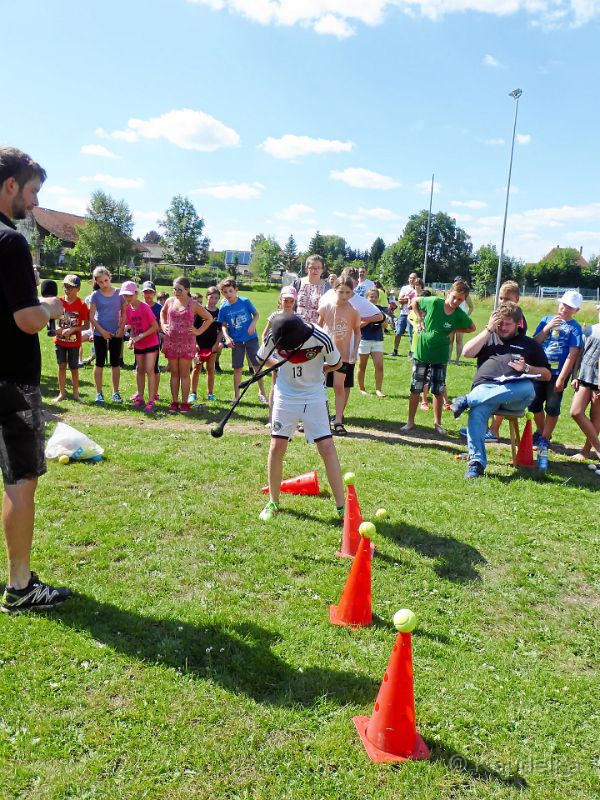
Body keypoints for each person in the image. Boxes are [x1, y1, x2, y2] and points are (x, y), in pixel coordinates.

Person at [0, 146, 71, 613]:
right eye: (32, 191)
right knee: (20, 482)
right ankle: (20, 585)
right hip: (11, 382)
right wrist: (51, 308)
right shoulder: (10, 241)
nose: (35, 201)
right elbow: (26, 320)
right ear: (10, 186)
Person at [257, 313, 345, 522]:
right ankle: (273, 502)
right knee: (276, 447)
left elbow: (337, 363)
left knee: (326, 448)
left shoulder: (321, 337)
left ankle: (342, 506)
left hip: (314, 396)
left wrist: (322, 369)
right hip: (285, 397)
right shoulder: (274, 335)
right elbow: (260, 359)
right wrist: (278, 365)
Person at [450, 301, 551, 478]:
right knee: (477, 412)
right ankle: (476, 464)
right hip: (485, 389)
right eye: (500, 323)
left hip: (513, 395)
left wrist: (526, 368)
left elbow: (547, 375)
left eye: (507, 324)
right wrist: (488, 329)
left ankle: (467, 400)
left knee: (528, 387)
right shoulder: (489, 336)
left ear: (518, 323)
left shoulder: (529, 344)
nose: (503, 328)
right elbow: (466, 352)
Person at [401, 280, 475, 435]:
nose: (455, 302)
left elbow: (471, 327)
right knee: (416, 387)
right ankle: (410, 421)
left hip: (440, 356)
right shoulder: (434, 302)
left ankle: (438, 423)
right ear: (448, 293)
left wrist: (454, 329)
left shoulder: (459, 314)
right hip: (422, 352)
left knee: (438, 390)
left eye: (460, 300)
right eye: (454, 297)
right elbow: (415, 301)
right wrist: (419, 319)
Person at [529, 290, 583, 451]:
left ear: (576, 310)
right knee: (533, 403)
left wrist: (562, 378)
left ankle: (544, 438)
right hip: (539, 370)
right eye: (563, 304)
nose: (565, 308)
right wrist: (547, 328)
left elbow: (572, 355)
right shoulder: (546, 320)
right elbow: (534, 343)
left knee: (552, 407)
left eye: (570, 307)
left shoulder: (575, 328)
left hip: (557, 374)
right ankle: (541, 431)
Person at [161, 276, 212, 414]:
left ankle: (184, 403)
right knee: (174, 374)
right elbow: (163, 312)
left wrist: (198, 331)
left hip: (187, 343)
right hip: (171, 342)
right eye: (174, 289)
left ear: (187, 289)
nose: (176, 292)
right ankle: (174, 402)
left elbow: (209, 318)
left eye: (180, 289)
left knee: (184, 374)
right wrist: (163, 324)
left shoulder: (193, 304)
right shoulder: (170, 301)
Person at [318, 276, 361, 435]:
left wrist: (354, 351)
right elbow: (318, 327)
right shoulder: (326, 306)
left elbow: (358, 333)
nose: (344, 296)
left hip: (343, 355)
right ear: (334, 290)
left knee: (339, 387)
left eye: (348, 292)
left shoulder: (353, 311)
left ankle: (338, 420)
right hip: (324, 354)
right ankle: (317, 419)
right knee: (318, 387)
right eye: (341, 292)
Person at [217, 277, 267, 404]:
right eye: (225, 292)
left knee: (257, 366)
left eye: (230, 291)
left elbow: (256, 314)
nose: (228, 294)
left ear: (236, 290)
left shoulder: (245, 301)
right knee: (237, 368)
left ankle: (262, 392)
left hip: (251, 339)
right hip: (236, 341)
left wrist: (253, 324)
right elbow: (223, 325)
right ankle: (237, 397)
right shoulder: (224, 308)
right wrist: (227, 337)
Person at [120, 281, 160, 412]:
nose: (127, 298)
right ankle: (140, 398)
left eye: (129, 295)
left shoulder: (144, 308)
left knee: (149, 370)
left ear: (136, 293)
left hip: (151, 343)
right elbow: (133, 326)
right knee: (140, 371)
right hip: (139, 344)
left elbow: (155, 327)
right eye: (125, 295)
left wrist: (141, 336)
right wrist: (132, 339)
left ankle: (151, 401)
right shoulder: (128, 308)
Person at [88, 266, 125, 404]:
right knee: (99, 363)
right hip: (100, 333)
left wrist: (121, 328)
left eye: (106, 280)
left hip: (116, 333)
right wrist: (102, 331)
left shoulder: (119, 293)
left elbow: (125, 313)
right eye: (100, 282)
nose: (104, 284)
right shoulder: (95, 295)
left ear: (110, 277)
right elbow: (91, 316)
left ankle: (116, 393)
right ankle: (99, 393)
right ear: (96, 282)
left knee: (115, 363)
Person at [569, 304, 600, 461]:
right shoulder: (589, 330)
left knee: (596, 417)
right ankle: (599, 449)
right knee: (575, 412)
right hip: (584, 377)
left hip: (598, 382)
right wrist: (575, 375)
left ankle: (586, 451)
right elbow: (579, 355)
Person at [53, 274, 88, 402]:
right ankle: (62, 394)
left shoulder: (82, 304)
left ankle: (76, 395)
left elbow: (86, 325)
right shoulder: (58, 302)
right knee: (62, 366)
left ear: (78, 288)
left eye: (70, 287)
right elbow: (50, 318)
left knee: (74, 368)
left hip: (74, 343)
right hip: (60, 341)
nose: (67, 289)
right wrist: (55, 327)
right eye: (65, 286)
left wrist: (73, 329)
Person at [190, 286, 222, 404]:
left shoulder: (219, 312)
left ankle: (210, 393)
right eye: (211, 297)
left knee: (210, 369)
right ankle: (193, 393)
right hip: (199, 344)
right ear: (206, 297)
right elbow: (193, 329)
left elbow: (221, 330)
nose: (213, 300)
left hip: (212, 345)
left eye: (216, 298)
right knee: (196, 368)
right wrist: (195, 344)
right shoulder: (200, 311)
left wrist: (216, 344)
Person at [357, 286, 387, 397]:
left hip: (377, 340)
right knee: (362, 365)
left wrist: (381, 318)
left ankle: (378, 389)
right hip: (364, 339)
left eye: (375, 297)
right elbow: (358, 325)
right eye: (371, 297)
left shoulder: (380, 310)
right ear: (366, 298)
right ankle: (362, 389)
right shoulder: (361, 309)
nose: (373, 299)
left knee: (379, 366)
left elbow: (385, 325)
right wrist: (370, 319)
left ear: (378, 298)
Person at [140, 280, 163, 403]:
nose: (148, 294)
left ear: (154, 294)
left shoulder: (159, 308)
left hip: (153, 342)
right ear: (142, 293)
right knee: (140, 368)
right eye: (146, 292)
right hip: (140, 342)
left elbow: (161, 326)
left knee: (153, 368)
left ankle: (155, 392)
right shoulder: (138, 306)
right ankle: (140, 393)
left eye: (150, 292)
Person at [293, 255, 329, 324]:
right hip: (296, 325)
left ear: (322, 269)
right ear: (306, 269)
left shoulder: (327, 288)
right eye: (312, 267)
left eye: (318, 268)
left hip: (317, 327)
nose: (315, 270)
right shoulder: (297, 283)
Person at [448, 276, 474, 364]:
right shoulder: (451, 292)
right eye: (455, 281)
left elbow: (471, 307)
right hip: (451, 317)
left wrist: (466, 316)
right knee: (450, 340)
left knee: (459, 340)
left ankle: (457, 360)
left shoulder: (466, 295)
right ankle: (449, 359)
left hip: (460, 319)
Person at [392, 272, 418, 357]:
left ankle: (412, 352)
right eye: (410, 278)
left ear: (416, 279)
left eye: (413, 278)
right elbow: (399, 300)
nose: (411, 279)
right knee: (398, 332)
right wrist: (410, 299)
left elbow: (416, 301)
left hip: (412, 314)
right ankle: (395, 350)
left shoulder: (417, 289)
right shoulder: (404, 288)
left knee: (411, 334)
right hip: (403, 313)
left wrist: (406, 299)